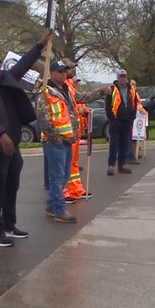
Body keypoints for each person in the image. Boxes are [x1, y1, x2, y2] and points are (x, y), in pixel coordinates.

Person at [0, 31, 54, 247]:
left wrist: (39, 45)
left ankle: (9, 224)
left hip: (11, 144)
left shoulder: (6, 80)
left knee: (12, 184)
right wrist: (1, 134)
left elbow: (23, 65)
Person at [37, 60, 108, 222]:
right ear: (52, 73)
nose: (63, 74)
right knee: (57, 176)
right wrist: (56, 137)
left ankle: (51, 205)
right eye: (60, 71)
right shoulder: (45, 92)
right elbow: (43, 118)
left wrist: (101, 92)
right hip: (55, 142)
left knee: (65, 175)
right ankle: (60, 210)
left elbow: (83, 97)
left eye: (64, 72)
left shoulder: (67, 89)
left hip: (68, 140)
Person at [60, 59, 99, 204]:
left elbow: (77, 102)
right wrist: (80, 110)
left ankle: (76, 190)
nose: (74, 71)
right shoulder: (61, 86)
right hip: (65, 132)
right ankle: (63, 192)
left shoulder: (70, 86)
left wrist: (82, 110)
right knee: (64, 164)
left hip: (74, 131)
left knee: (73, 162)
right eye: (71, 68)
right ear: (65, 70)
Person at [105, 69, 138, 175]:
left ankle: (122, 165)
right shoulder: (112, 89)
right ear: (118, 77)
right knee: (114, 144)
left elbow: (134, 103)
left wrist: (132, 116)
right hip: (116, 121)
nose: (123, 78)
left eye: (124, 76)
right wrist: (112, 118)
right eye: (121, 76)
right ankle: (111, 166)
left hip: (127, 120)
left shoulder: (131, 90)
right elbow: (108, 105)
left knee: (124, 143)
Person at [125, 76, 147, 165]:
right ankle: (129, 155)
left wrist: (143, 111)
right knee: (129, 136)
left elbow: (138, 104)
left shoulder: (136, 94)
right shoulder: (128, 93)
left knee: (135, 136)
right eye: (132, 84)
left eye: (135, 84)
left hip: (137, 117)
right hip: (130, 117)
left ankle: (134, 153)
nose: (134, 86)